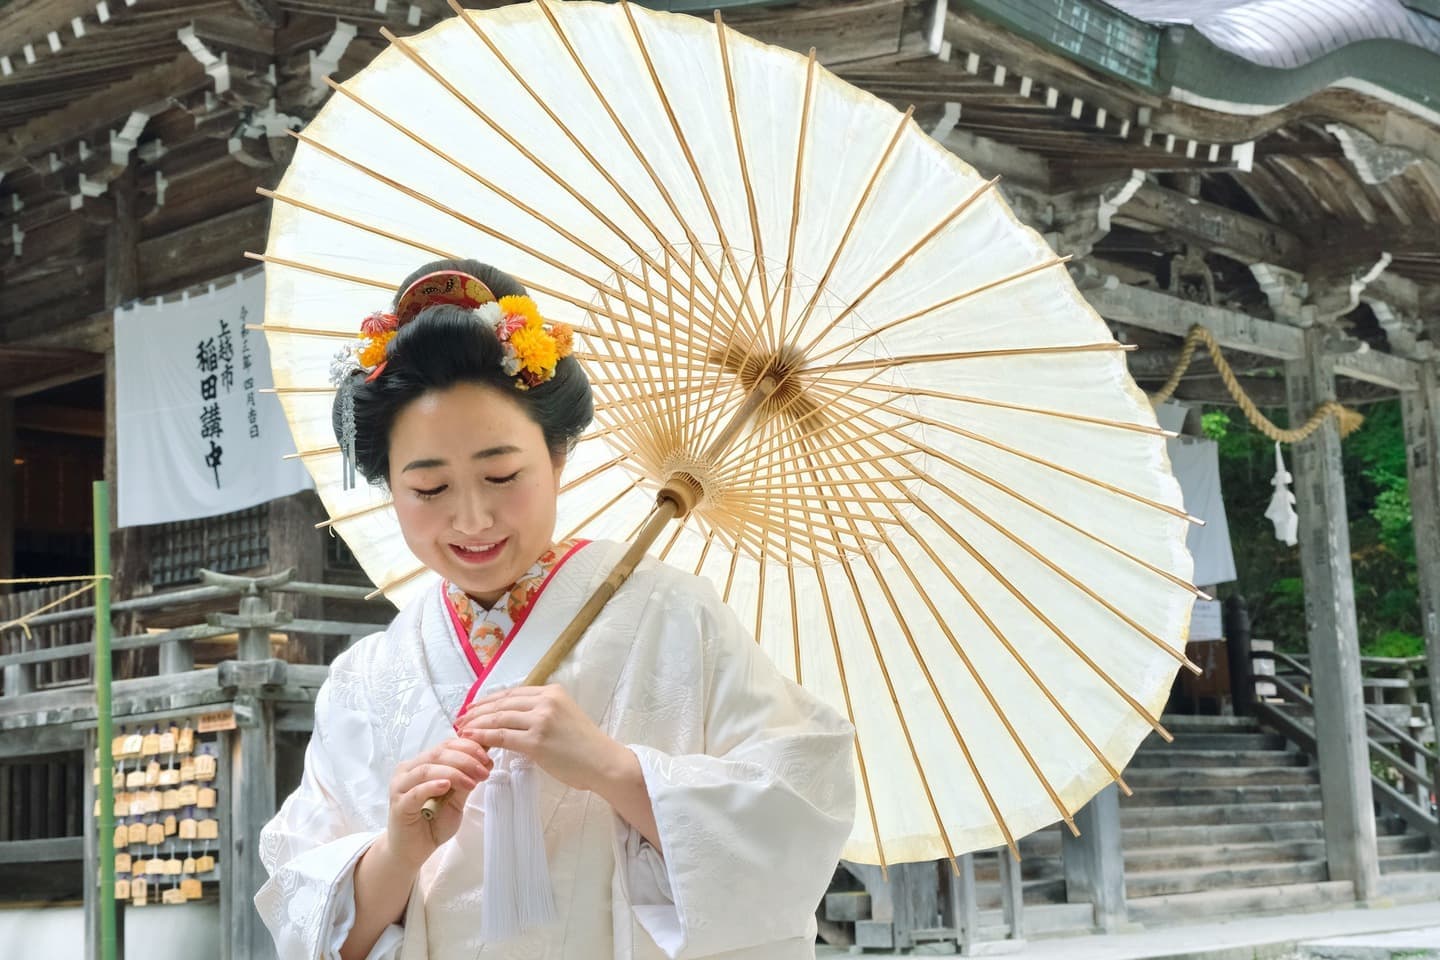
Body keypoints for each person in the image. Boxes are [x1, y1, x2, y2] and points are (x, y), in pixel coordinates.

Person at [255, 259, 856, 960]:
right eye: (428, 487)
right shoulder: (365, 680)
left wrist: (616, 770)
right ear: (390, 486)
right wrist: (396, 850)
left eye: (502, 475)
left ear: (559, 455)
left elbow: (794, 812)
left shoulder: (674, 617)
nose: (472, 517)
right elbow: (310, 926)